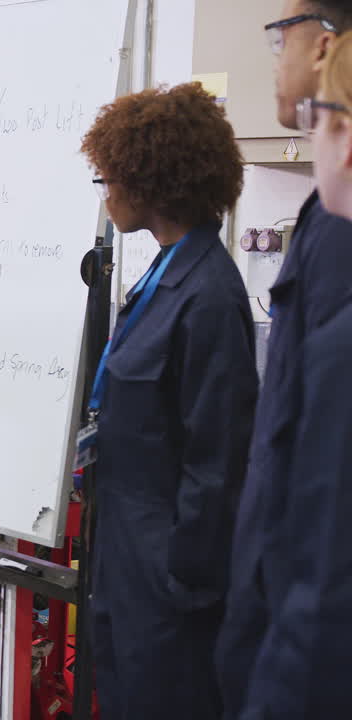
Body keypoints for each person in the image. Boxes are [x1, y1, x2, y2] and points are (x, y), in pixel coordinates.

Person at [80, 83, 258, 720]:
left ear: (148, 178)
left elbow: (219, 460)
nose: (106, 194)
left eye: (108, 178)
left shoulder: (208, 292)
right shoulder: (163, 272)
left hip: (169, 581)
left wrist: (182, 582)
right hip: (127, 556)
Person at [217, 3, 352, 717]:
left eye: (281, 34)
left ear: (324, 42)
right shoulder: (323, 215)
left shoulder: (338, 225)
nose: (273, 52)